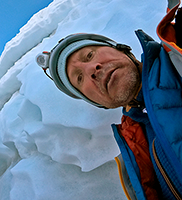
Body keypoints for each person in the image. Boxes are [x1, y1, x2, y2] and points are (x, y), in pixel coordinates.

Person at [36, 1, 182, 200]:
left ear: (123, 49)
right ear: (97, 102)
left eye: (89, 55)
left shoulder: (177, 49)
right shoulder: (136, 147)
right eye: (79, 78)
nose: (91, 70)